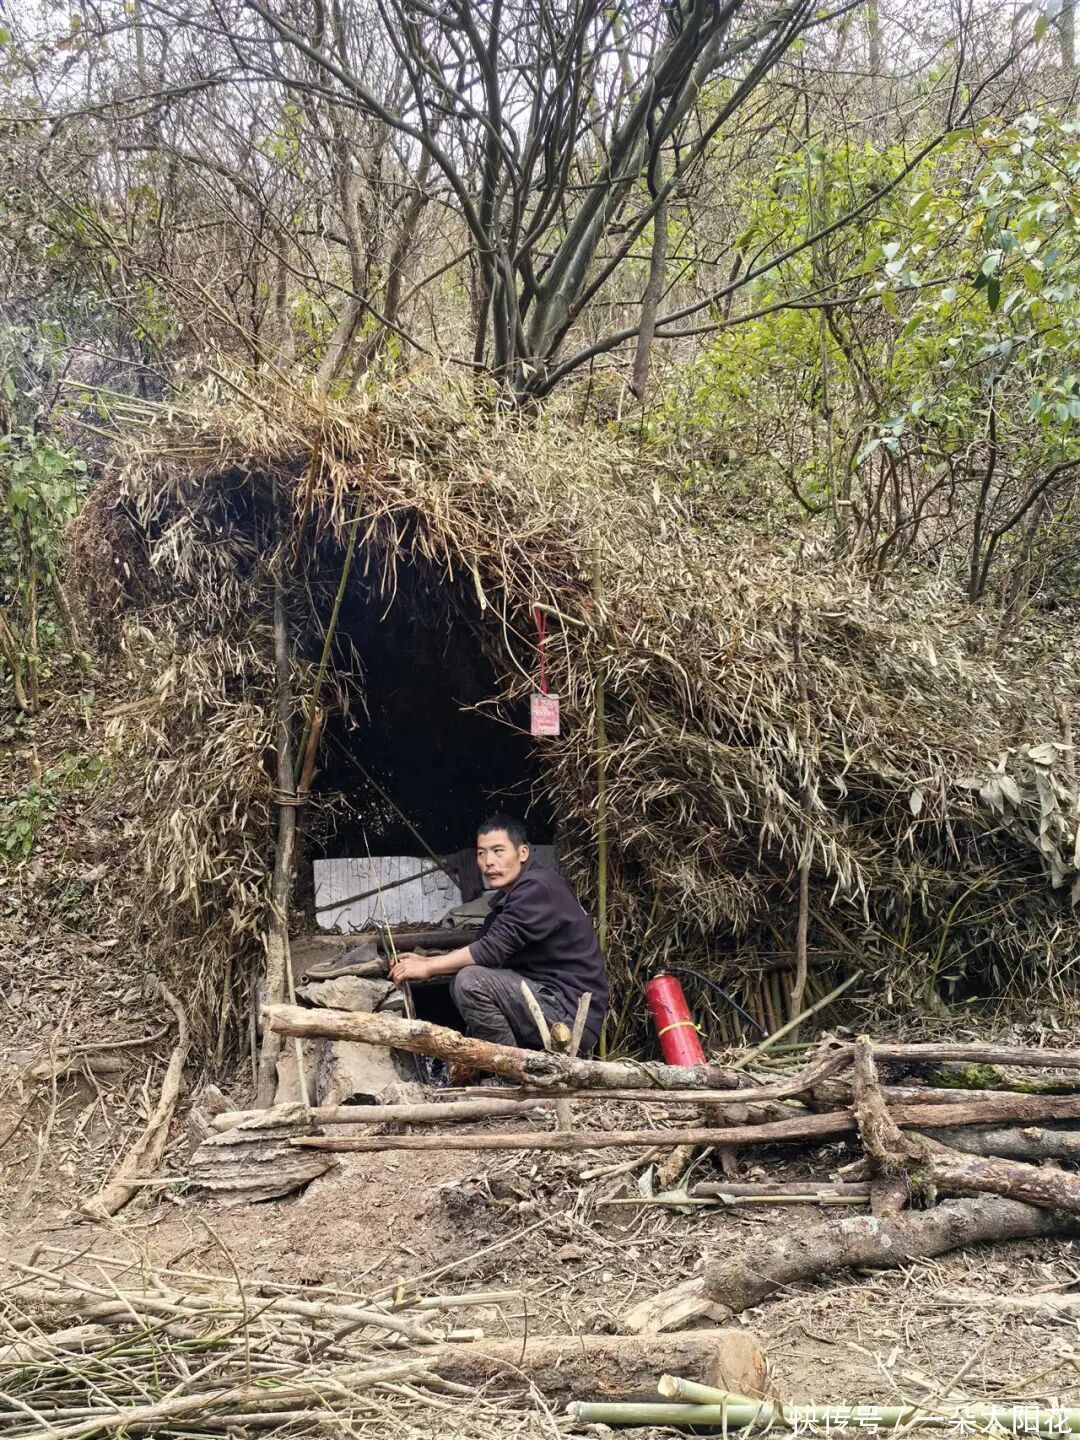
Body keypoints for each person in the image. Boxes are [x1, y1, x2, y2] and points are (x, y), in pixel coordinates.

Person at [389, 814, 608, 1052]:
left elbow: (489, 951)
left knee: (471, 981)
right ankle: (512, 1062)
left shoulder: (537, 888)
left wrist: (429, 967)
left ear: (522, 853)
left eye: (498, 851)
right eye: (481, 853)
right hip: (547, 1001)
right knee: (466, 976)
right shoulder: (509, 897)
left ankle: (510, 1068)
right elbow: (482, 948)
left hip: (568, 1013)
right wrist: (427, 960)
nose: (488, 862)